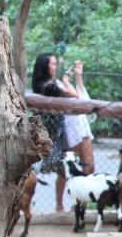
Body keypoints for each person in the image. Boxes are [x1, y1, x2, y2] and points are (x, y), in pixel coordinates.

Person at [32, 52, 95, 211]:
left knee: (89, 166)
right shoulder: (47, 87)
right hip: (67, 129)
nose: (55, 67)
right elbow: (72, 95)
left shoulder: (57, 82)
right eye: (53, 64)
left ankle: (80, 204)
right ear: (44, 67)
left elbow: (81, 98)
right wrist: (67, 80)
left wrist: (78, 76)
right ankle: (59, 206)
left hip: (80, 124)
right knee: (65, 168)